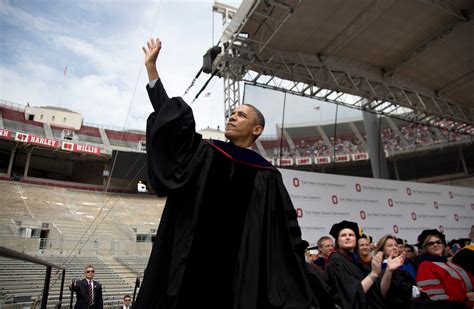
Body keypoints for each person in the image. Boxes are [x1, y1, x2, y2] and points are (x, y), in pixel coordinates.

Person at [134, 37, 320, 308]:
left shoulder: (268, 176)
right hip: (190, 271)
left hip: (239, 281)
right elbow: (173, 125)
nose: (232, 117)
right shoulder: (206, 152)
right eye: (232, 113)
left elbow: (284, 235)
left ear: (257, 129)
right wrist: (152, 71)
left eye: (241, 115)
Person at [324, 220, 404, 309]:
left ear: (356, 240)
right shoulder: (336, 261)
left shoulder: (356, 261)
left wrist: (389, 270)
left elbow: (379, 292)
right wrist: (373, 274)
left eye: (351, 235)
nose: (347, 237)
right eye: (343, 235)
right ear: (338, 241)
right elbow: (351, 295)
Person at [416, 229, 473, 308]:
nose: (435, 245)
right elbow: (436, 297)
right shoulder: (425, 266)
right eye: (430, 243)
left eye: (438, 242)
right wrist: (465, 296)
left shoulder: (450, 264)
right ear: (425, 248)